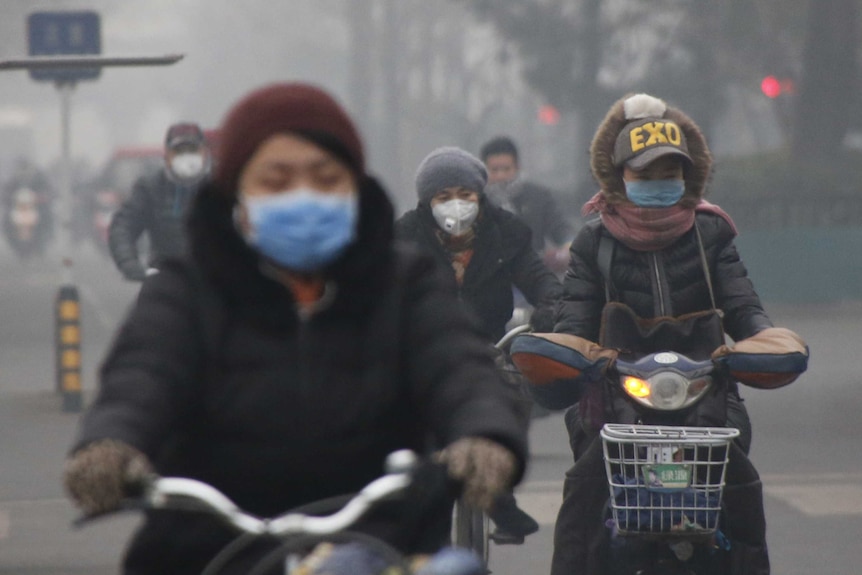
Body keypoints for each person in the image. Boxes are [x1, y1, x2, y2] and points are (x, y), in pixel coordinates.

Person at [63, 83, 528, 574]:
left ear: (353, 187)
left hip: (379, 541)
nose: (303, 195)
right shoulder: (186, 289)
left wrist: (485, 434)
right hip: (210, 549)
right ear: (236, 194)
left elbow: (460, 368)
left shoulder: (405, 283)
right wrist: (110, 442)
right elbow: (141, 376)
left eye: (325, 178)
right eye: (277, 180)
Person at [550, 93, 776, 574]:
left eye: (670, 174)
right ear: (618, 177)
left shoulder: (712, 232)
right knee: (584, 491)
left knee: (740, 487)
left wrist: (767, 340)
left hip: (708, 395)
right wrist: (563, 353)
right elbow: (573, 322)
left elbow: (743, 306)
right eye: (645, 175)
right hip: (615, 398)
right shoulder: (593, 240)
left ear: (687, 176)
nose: (659, 184)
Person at [395, 146, 562, 544]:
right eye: (443, 196)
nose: (456, 204)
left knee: (498, 408)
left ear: (479, 196)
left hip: (487, 349)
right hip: (423, 350)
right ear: (427, 201)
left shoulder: (507, 233)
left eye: (465, 194)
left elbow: (542, 282)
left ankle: (494, 488)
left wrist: (553, 312)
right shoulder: (403, 238)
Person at [108, 122, 212, 281]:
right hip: (164, 278)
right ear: (167, 155)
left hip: (213, 281)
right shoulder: (151, 187)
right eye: (179, 151)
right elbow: (123, 226)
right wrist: (130, 264)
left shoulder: (221, 185)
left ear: (204, 153)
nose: (186, 157)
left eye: (192, 150)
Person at [480, 136, 574, 274]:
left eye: (506, 169)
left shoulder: (537, 196)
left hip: (532, 274)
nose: (500, 176)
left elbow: (560, 227)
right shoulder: (476, 200)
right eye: (494, 170)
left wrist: (568, 247)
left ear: (517, 167)